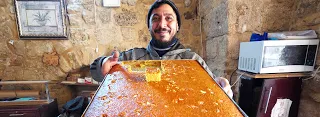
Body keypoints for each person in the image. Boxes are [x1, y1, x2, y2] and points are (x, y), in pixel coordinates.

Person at [90, 0, 233, 98]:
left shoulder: (192, 60)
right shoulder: (131, 58)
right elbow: (95, 72)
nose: (162, 24)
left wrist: (223, 86)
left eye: (169, 18)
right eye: (155, 19)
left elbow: (214, 88)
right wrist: (103, 65)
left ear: (177, 26)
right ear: (149, 26)